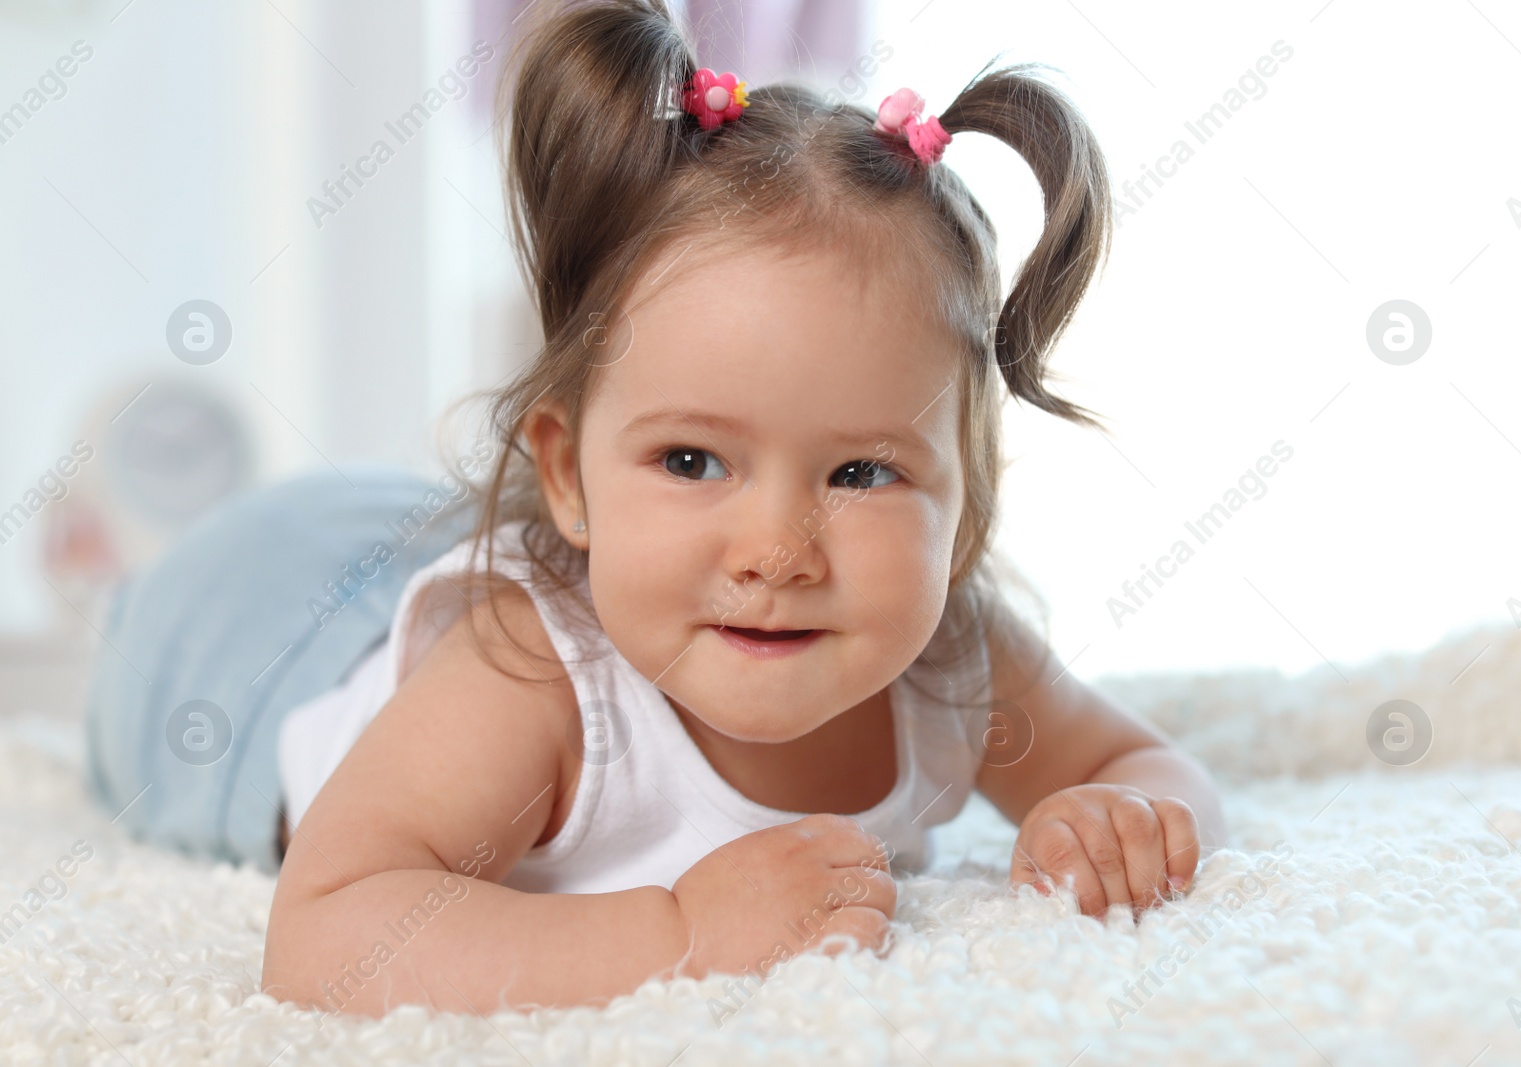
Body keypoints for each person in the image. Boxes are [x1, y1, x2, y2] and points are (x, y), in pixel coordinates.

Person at [91, 0, 1229, 1019]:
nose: (777, 551)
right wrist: (676, 933)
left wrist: (1121, 818)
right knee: (155, 632)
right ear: (572, 474)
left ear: (967, 505)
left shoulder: (956, 660)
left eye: (860, 474)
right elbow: (325, 930)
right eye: (692, 459)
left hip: (447, 552)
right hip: (252, 643)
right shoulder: (530, 682)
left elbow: (1135, 758)